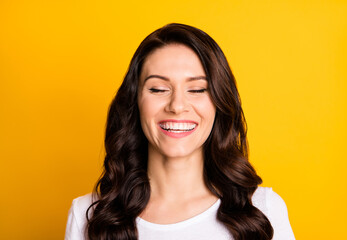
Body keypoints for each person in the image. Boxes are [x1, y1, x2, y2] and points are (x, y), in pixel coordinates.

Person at [65, 23, 295, 240]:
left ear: (219, 103)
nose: (177, 106)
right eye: (158, 89)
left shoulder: (263, 209)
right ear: (135, 101)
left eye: (196, 89)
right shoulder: (88, 215)